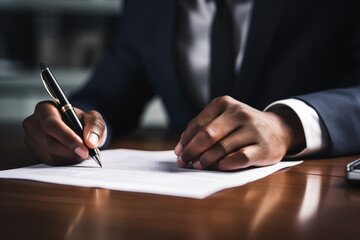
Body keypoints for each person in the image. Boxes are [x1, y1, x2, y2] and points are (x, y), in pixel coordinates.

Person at [23, 0, 360, 170]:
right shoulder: (148, 6)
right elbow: (111, 92)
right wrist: (73, 122)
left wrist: (286, 125)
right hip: (182, 198)